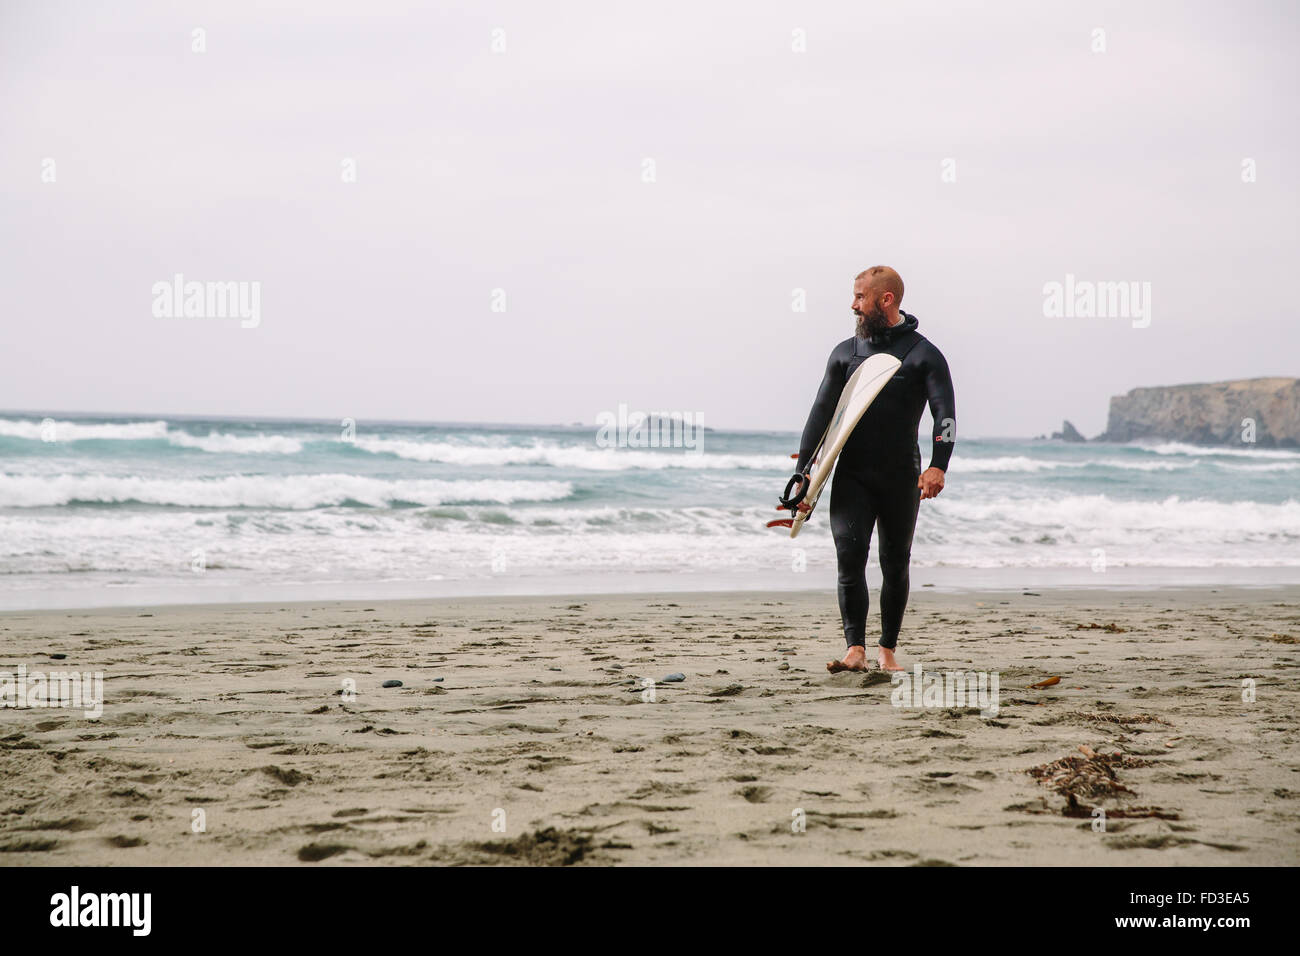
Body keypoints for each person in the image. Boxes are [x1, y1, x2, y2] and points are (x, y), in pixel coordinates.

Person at [788, 266, 955, 672]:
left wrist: (937, 466)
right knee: (849, 557)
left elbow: (945, 416)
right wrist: (805, 471)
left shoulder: (922, 354)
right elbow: (822, 413)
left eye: (860, 297)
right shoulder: (845, 353)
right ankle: (855, 649)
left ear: (886, 300)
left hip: (900, 476)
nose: (853, 304)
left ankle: (887, 651)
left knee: (895, 561)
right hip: (853, 475)